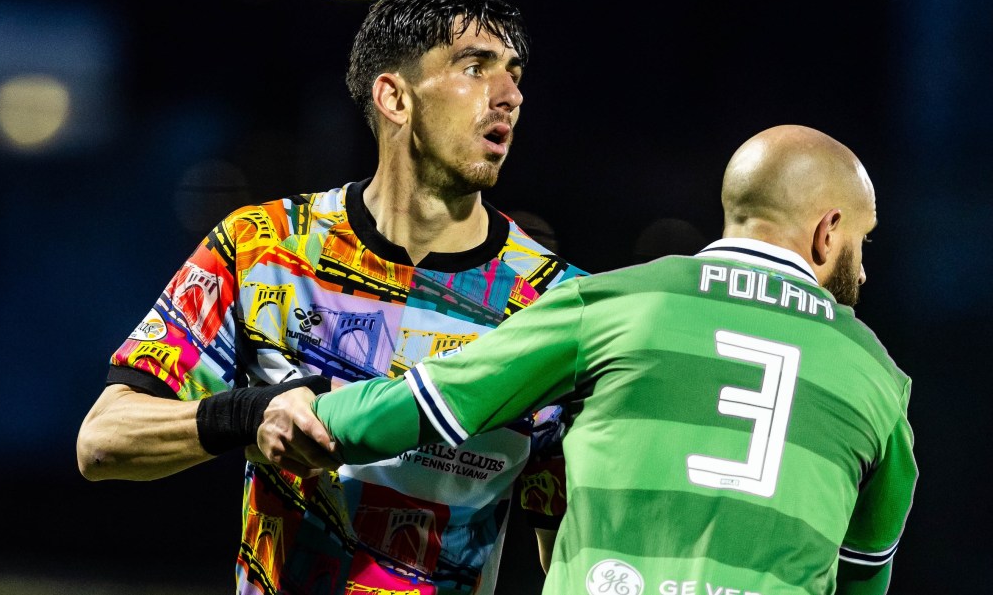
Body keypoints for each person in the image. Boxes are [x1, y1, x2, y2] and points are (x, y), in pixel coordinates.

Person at [76, 0, 586, 595]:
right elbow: (102, 441)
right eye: (474, 68)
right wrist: (249, 414)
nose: (509, 95)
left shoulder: (557, 303)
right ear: (395, 98)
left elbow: (568, 544)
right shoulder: (264, 245)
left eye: (514, 73)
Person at [298, 124, 918, 595]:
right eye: (862, 241)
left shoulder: (616, 303)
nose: (862, 266)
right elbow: (862, 575)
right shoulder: (877, 378)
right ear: (828, 231)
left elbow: (427, 405)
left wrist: (291, 412)